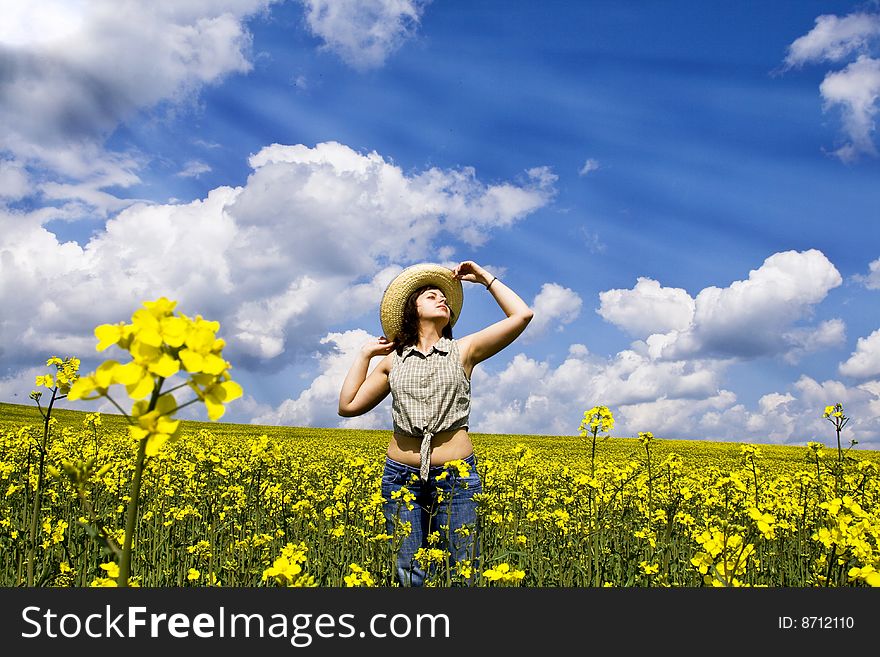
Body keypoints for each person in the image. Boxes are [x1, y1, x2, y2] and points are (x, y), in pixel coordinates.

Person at [338, 260, 534, 586]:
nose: (442, 299)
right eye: (432, 296)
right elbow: (348, 406)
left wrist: (485, 278)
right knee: (409, 573)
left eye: (444, 298)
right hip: (400, 478)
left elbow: (522, 315)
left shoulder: (464, 350)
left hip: (457, 476)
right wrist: (364, 355)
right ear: (412, 309)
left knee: (462, 572)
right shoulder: (392, 361)